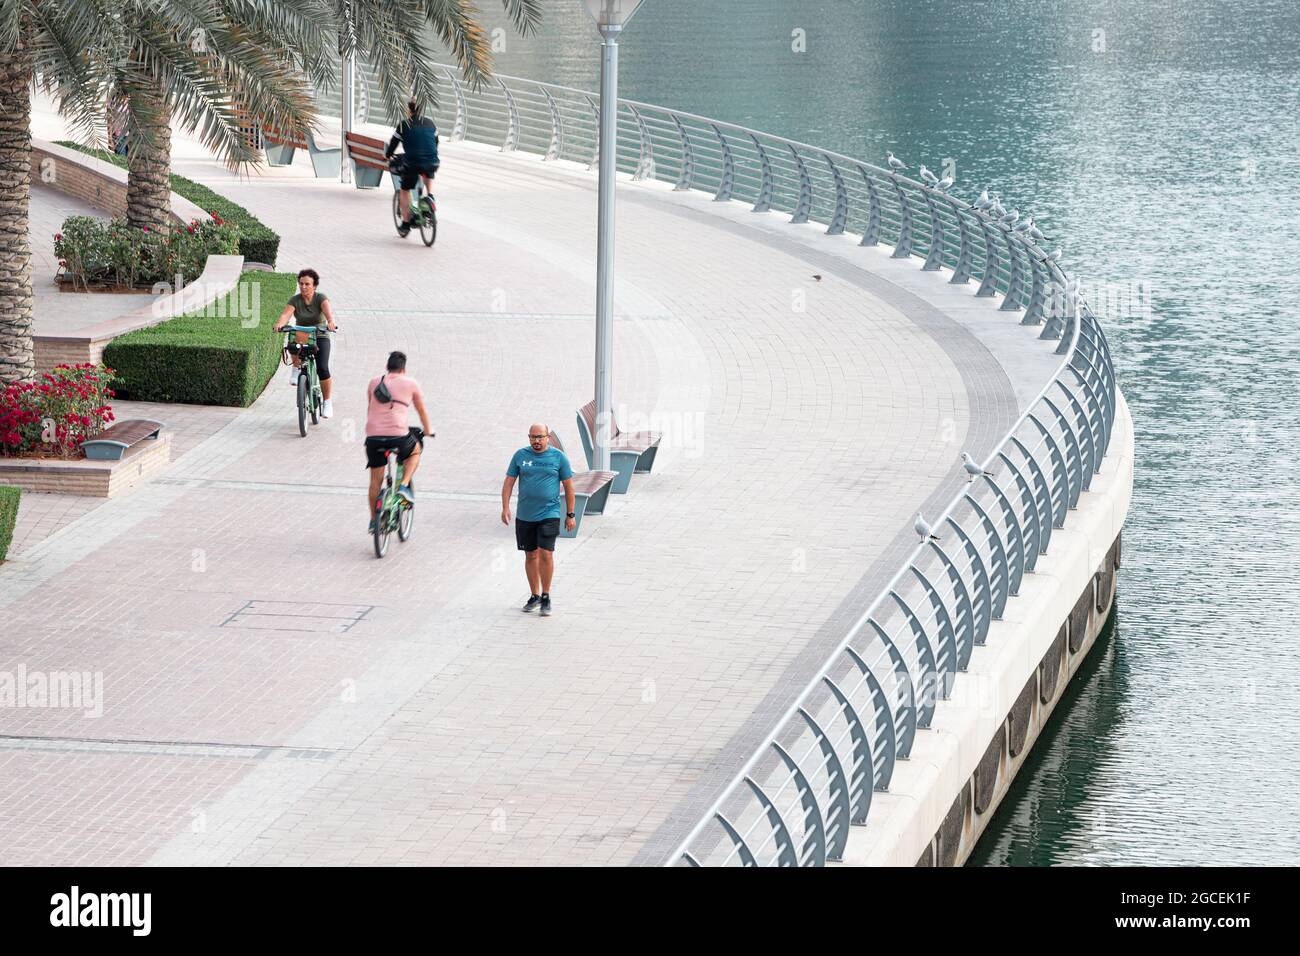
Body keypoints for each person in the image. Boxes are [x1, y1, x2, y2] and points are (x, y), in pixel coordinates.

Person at [500, 425, 576, 617]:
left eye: (540, 437)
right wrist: (505, 507)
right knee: (530, 555)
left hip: (549, 513)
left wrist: (571, 514)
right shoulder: (520, 456)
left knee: (546, 554)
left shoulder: (558, 458)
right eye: (533, 437)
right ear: (528, 437)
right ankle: (534, 595)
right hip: (525, 515)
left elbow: (569, 487)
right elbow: (509, 481)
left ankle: (546, 595)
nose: (536, 441)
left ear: (548, 437)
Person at [364, 351, 432, 533]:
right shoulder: (411, 383)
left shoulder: (374, 382)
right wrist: (428, 431)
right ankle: (403, 486)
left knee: (375, 482)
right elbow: (421, 410)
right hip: (398, 436)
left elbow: (370, 407)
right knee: (415, 450)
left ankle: (373, 521)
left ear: (387, 367)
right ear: (404, 368)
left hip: (373, 437)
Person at [274, 268, 338, 418]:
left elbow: (328, 314)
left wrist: (330, 322)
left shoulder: (321, 298)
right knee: (292, 343)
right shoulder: (295, 300)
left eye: (307, 284)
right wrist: (279, 324)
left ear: (314, 286)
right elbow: (286, 314)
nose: (303, 287)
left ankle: (327, 402)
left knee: (322, 368)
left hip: (320, 335)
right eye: (301, 284)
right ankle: (296, 369)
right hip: (303, 333)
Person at [384, 98, 440, 238]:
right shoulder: (431, 123)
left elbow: (393, 143)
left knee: (404, 189)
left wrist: (388, 155)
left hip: (412, 162)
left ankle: (406, 224)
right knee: (427, 171)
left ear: (409, 110)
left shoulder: (403, 125)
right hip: (432, 161)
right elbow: (436, 142)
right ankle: (430, 196)